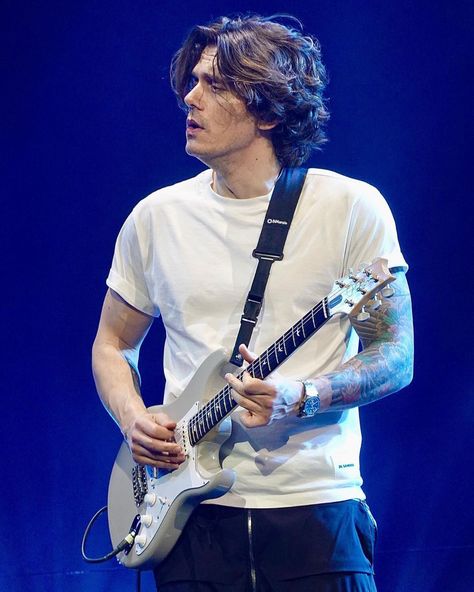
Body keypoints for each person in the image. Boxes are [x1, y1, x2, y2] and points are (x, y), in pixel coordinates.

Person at [92, 14, 414, 592]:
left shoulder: (351, 207)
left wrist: (303, 395)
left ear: (268, 109)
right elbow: (113, 344)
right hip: (190, 521)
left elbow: (395, 353)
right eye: (192, 80)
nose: (189, 97)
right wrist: (133, 419)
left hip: (317, 510)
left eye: (214, 85)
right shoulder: (154, 217)